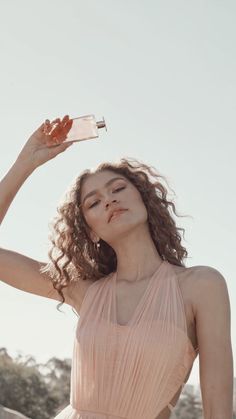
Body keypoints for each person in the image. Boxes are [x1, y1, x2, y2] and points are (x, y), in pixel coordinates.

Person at [0, 115, 233, 419]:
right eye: (93, 203)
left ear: (145, 201)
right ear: (91, 231)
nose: (108, 200)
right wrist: (26, 162)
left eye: (118, 189)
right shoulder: (84, 291)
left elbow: (218, 410)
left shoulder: (202, 285)